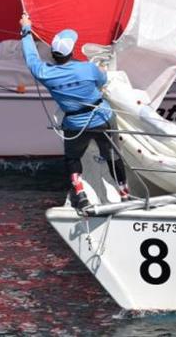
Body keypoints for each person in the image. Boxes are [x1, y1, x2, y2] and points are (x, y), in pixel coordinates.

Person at [19, 13, 129, 212]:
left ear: (53, 54)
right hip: (101, 118)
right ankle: (124, 194)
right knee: (113, 157)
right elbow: (102, 82)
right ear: (71, 53)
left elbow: (31, 57)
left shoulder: (44, 73)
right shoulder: (88, 69)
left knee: (72, 159)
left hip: (75, 124)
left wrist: (26, 29)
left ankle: (80, 194)